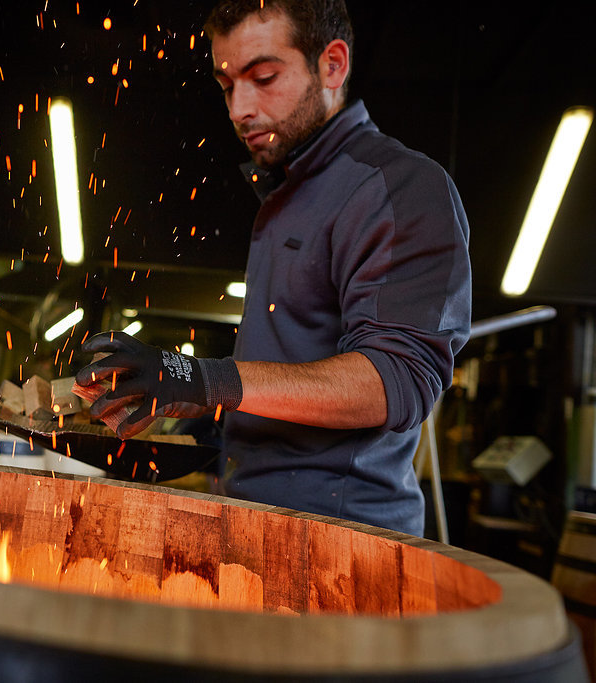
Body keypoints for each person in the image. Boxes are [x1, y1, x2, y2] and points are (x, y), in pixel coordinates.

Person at [75, 0, 471, 536]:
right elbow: (273, 385)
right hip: (257, 520)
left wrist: (200, 377)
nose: (239, 108)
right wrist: (172, 399)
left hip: (343, 544)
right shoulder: (286, 196)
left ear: (332, 65)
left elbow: (393, 381)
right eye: (226, 84)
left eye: (263, 77)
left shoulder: (397, 187)